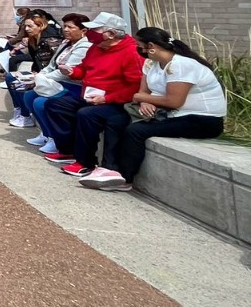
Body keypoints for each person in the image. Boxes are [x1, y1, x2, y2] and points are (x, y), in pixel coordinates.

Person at [80, 27, 227, 192]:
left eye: (139, 45)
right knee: (116, 119)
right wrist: (144, 101)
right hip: (172, 114)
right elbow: (143, 92)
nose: (138, 50)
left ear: (151, 45)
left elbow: (174, 101)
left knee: (136, 131)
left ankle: (125, 178)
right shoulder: (152, 63)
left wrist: (142, 98)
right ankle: (109, 168)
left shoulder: (182, 65)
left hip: (201, 120)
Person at [41, 12, 144, 177]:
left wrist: (107, 98)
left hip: (117, 102)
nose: (90, 34)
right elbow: (84, 67)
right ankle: (67, 150)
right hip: (91, 96)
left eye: (95, 30)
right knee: (55, 105)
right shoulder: (96, 48)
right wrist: (73, 71)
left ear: (110, 34)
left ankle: (85, 162)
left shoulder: (131, 52)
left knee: (87, 115)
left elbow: (135, 86)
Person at [23, 13, 91, 150]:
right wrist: (40, 75)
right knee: (29, 95)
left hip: (74, 85)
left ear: (83, 31)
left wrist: (42, 78)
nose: (65, 30)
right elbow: (52, 64)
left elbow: (66, 72)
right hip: (56, 82)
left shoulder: (84, 46)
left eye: (70, 27)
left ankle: (55, 138)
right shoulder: (66, 43)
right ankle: (46, 133)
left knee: (41, 102)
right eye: (65, 26)